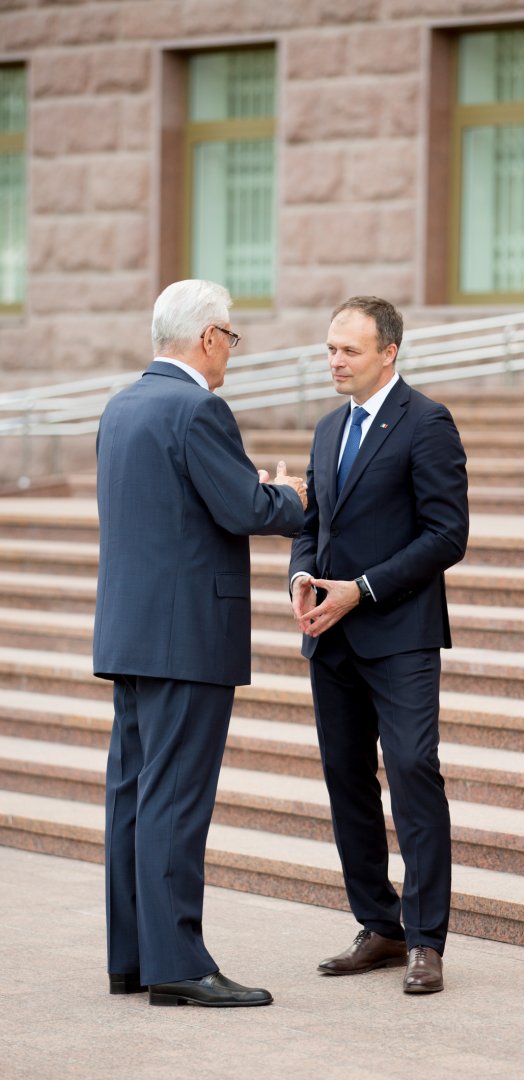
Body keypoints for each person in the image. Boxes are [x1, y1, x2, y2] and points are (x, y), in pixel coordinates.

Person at [93, 279, 307, 1008]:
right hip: (186, 637)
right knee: (175, 803)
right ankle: (179, 964)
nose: (230, 354)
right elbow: (243, 506)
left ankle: (134, 959)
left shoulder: (120, 408)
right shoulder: (198, 408)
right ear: (210, 336)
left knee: (133, 795)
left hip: (130, 632)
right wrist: (293, 498)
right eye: (232, 339)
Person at [289, 295, 469, 994]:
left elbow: (447, 535)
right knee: (347, 784)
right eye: (331, 348)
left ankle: (427, 939)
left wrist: (360, 589)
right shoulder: (328, 427)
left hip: (399, 636)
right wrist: (302, 574)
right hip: (331, 641)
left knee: (414, 772)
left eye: (349, 350)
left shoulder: (428, 423)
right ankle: (381, 925)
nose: (335, 360)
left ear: (388, 353)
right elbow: (314, 522)